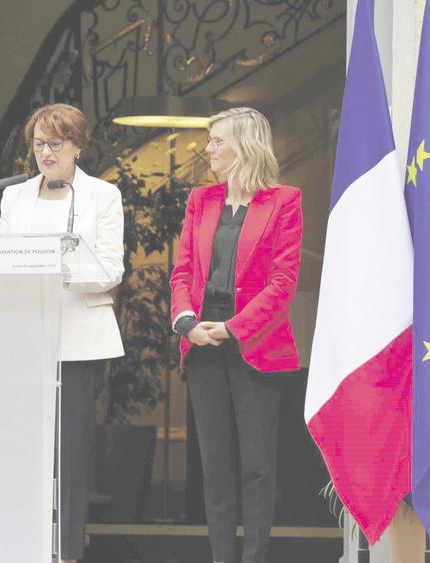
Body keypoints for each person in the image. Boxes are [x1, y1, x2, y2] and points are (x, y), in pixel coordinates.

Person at [170, 107, 302, 563]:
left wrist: (231, 328)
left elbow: (283, 283)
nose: (208, 149)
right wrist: (186, 320)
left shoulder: (284, 200)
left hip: (254, 344)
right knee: (215, 467)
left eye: (217, 141)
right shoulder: (201, 199)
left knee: (257, 467)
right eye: (209, 140)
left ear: (245, 145)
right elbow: (183, 269)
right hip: (202, 341)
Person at [0, 103, 124, 563]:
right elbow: (0, 261)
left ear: (77, 145)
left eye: (55, 143)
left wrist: (55, 266)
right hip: (23, 340)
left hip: (79, 338)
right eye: (38, 144)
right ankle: (24, 547)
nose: (45, 153)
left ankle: (68, 552)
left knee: (70, 454)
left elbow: (111, 269)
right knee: (24, 449)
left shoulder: (103, 196)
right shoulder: (14, 198)